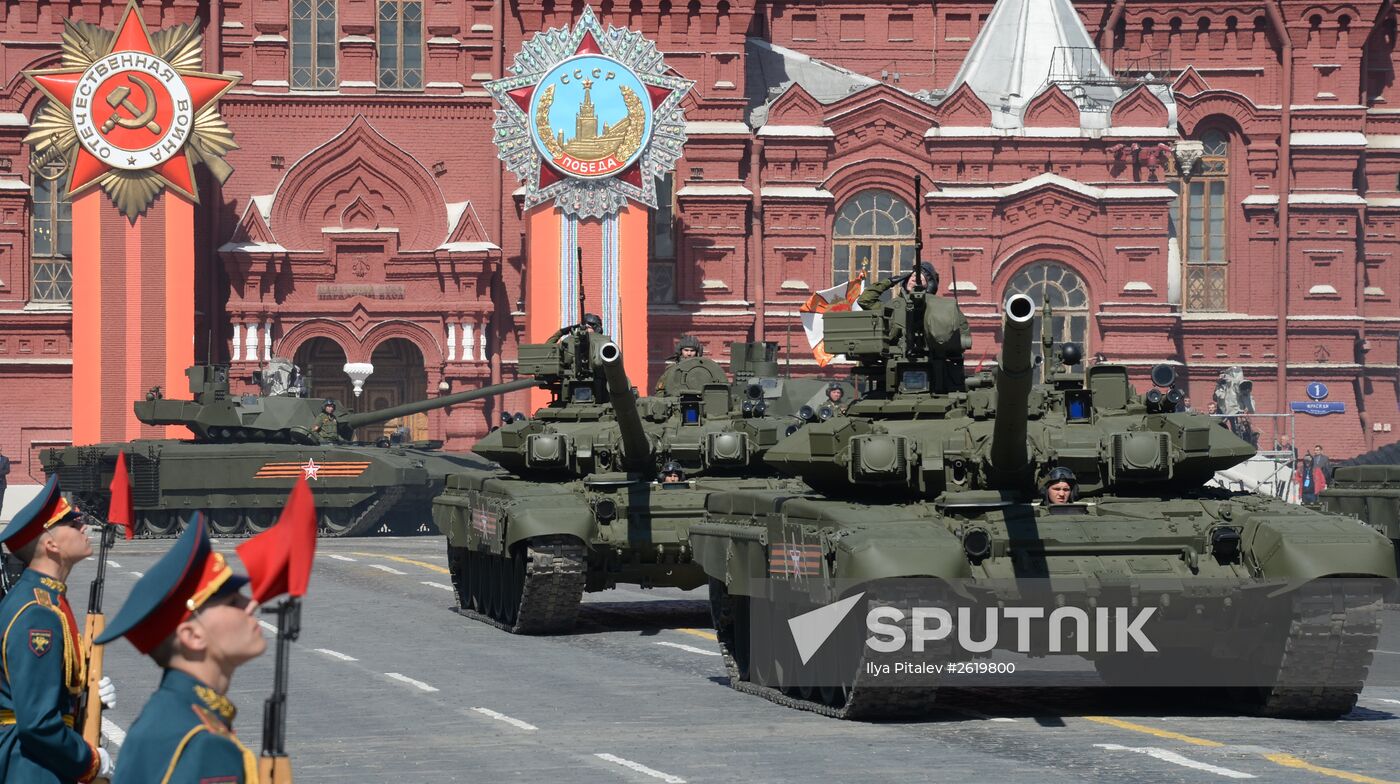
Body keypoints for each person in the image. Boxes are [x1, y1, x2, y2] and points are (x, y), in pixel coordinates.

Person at [98, 517, 264, 784]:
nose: (251, 604)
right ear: (193, 636)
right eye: (233, 601)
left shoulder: (168, 718)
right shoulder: (204, 743)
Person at [0, 476, 114, 783]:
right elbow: (37, 723)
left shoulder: (47, 600)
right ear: (50, 544)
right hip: (29, 766)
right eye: (72, 522)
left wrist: (84, 695)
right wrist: (89, 760)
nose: (83, 527)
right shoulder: (37, 614)